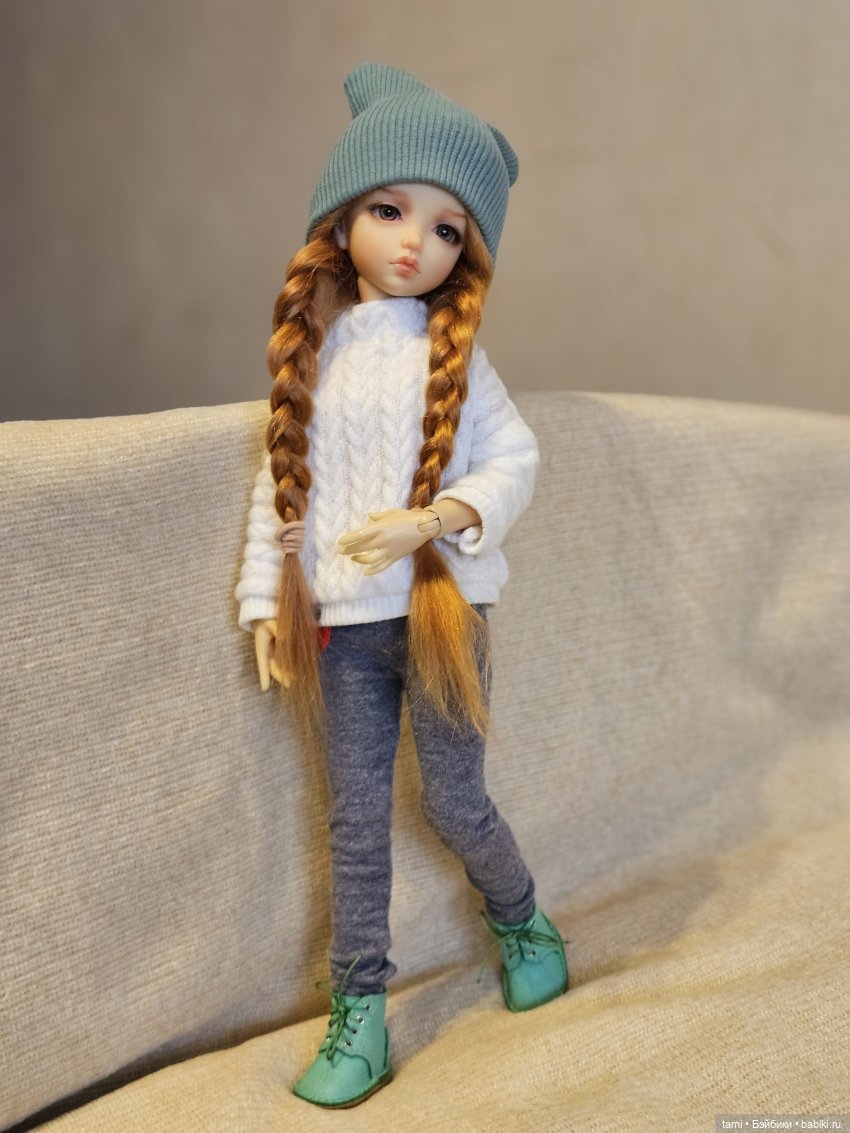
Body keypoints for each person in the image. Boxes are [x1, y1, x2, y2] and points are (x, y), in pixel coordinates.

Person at [235, 62, 568, 1109]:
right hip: (341, 630)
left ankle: (521, 917)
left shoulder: (455, 360)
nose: (414, 242)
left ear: (466, 252)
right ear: (342, 220)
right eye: (389, 210)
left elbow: (515, 459)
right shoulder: (317, 358)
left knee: (456, 798)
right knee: (356, 824)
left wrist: (435, 518)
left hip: (439, 616)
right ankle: (361, 1012)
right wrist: (266, 601)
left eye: (446, 228)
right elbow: (277, 487)